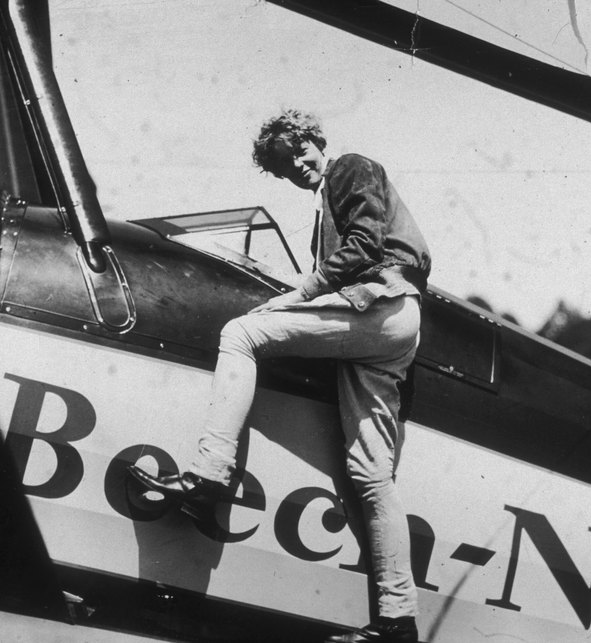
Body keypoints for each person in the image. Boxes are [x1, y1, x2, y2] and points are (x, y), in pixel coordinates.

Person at [129, 108, 431, 643]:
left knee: (242, 333)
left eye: (299, 151)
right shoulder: (326, 198)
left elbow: (364, 246)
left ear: (316, 139)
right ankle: (397, 621)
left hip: (380, 305)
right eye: (285, 166)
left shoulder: (350, 168)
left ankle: (208, 477)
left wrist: (300, 293)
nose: (298, 166)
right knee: (371, 475)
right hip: (390, 325)